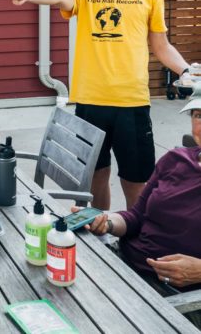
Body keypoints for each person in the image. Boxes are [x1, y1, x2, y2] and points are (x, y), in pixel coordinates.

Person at [11, 0, 191, 210]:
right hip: (91, 102)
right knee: (94, 180)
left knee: (136, 181)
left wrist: (186, 70)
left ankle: (133, 240)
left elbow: (161, 46)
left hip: (132, 103)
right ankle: (100, 240)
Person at [78, 84, 201, 328]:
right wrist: (107, 222)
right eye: (198, 115)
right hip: (124, 264)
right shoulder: (176, 159)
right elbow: (136, 216)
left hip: (173, 297)